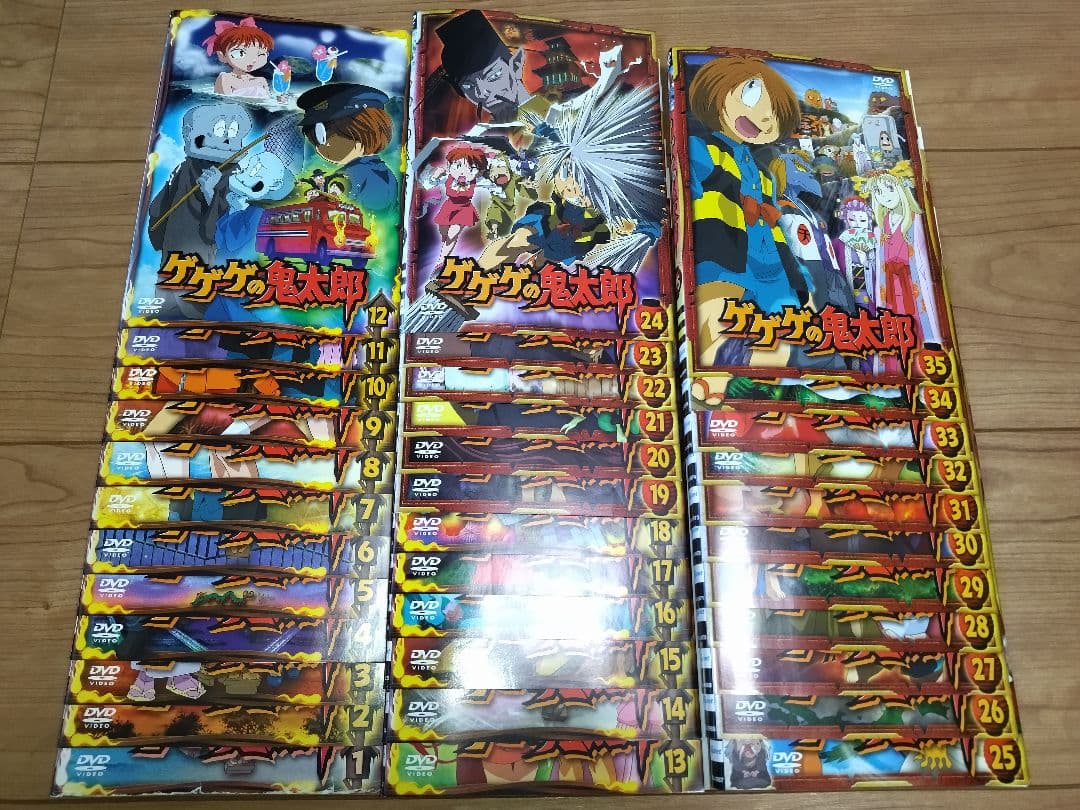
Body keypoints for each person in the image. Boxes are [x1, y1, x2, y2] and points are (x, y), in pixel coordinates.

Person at [296, 83, 397, 211]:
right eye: (316, 141)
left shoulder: (355, 173)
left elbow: (342, 186)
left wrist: (329, 192)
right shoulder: (382, 169)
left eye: (325, 138)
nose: (320, 148)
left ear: (364, 129)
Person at [202, 16, 274, 98]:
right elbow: (223, 101)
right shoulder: (225, 78)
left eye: (260, 54)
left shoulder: (261, 81)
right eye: (240, 53)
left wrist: (280, 100)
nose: (253, 60)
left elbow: (270, 101)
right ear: (222, 56)